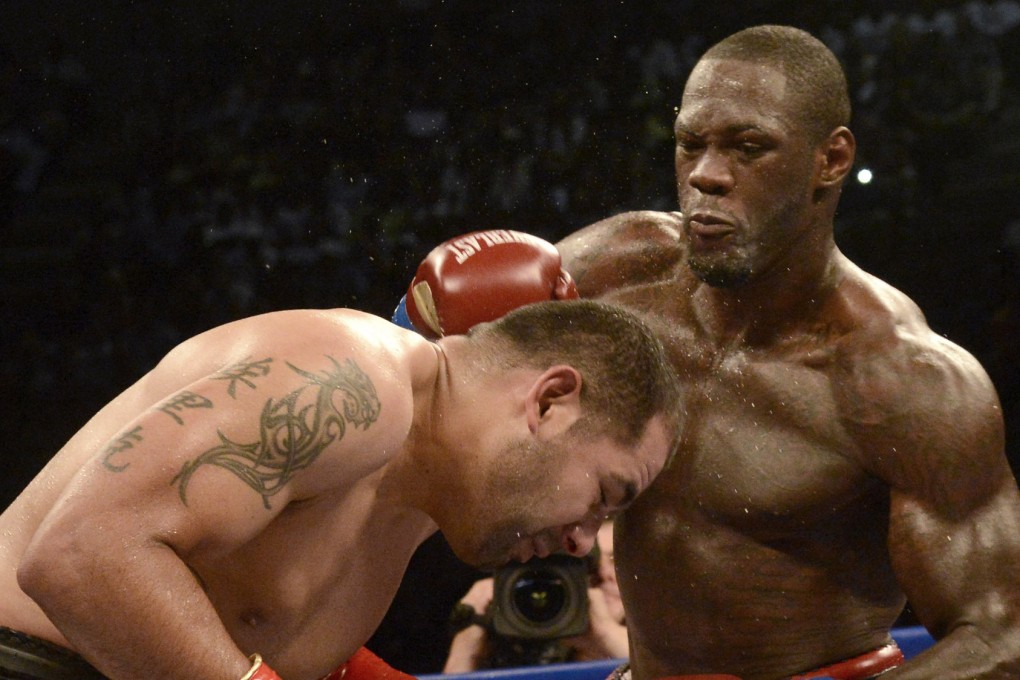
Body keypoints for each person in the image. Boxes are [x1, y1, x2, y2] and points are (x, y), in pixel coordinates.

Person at [552, 24, 1020, 679]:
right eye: (691, 145)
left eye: (749, 148)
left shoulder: (901, 379)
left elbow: (1000, 638)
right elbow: (432, 378)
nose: (707, 176)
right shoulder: (618, 275)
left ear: (830, 161)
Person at [0, 299, 681, 680]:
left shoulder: (413, 502)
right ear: (551, 401)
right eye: (604, 494)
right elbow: (82, 554)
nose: (583, 538)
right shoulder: (355, 380)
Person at [443, 520, 627, 673]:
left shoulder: (651, 644)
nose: (603, 575)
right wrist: (469, 635)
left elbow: (654, 671)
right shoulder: (505, 646)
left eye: (614, 560)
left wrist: (606, 635)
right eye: (591, 569)